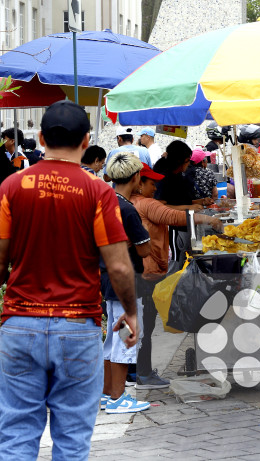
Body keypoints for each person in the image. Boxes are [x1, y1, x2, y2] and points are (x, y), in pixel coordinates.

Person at [0, 100, 138, 460]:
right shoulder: (98, 192)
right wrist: (130, 311)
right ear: (86, 140)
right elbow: (120, 267)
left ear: (42, 137)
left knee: (16, 436)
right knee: (73, 439)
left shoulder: (14, 188)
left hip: (20, 325)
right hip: (79, 327)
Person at [132, 163, 221, 387]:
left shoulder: (132, 202)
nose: (155, 187)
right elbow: (173, 216)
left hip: (139, 272)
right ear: (138, 182)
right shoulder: (145, 204)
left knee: (138, 324)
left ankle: (134, 371)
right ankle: (143, 373)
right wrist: (207, 219)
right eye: (151, 183)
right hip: (147, 273)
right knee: (145, 324)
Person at [100, 152, 152, 414]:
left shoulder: (103, 201)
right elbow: (144, 250)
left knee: (112, 336)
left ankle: (107, 393)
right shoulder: (128, 209)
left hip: (106, 277)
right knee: (125, 337)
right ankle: (118, 398)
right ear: (136, 177)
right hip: (126, 280)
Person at [154, 141, 205, 265]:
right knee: (175, 265)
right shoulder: (164, 175)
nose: (189, 164)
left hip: (184, 226)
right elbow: (160, 206)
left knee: (183, 263)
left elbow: (177, 199)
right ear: (179, 160)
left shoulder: (176, 174)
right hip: (173, 229)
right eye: (188, 160)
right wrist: (189, 206)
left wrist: (199, 202)